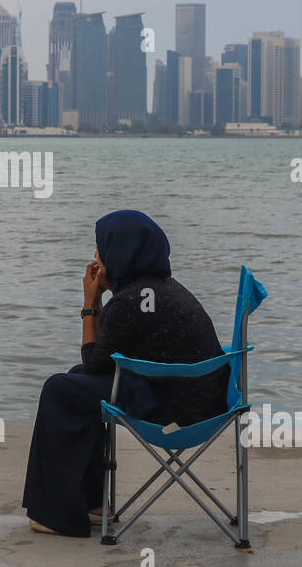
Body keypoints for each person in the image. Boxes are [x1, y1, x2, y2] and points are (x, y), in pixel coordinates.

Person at [22, 210, 230, 537]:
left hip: (171, 415)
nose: (96, 257)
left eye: (101, 250)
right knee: (78, 382)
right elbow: (102, 363)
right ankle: (90, 503)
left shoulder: (131, 300)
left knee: (60, 389)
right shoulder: (166, 289)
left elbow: (94, 361)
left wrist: (90, 304)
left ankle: (57, 514)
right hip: (204, 407)